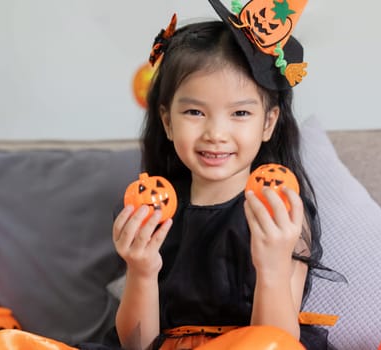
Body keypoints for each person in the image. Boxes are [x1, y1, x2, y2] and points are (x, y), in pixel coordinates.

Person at [112, 1, 341, 350]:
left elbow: (277, 342)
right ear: (167, 121)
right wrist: (141, 270)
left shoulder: (281, 213)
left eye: (240, 113)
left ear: (268, 122)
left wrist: (273, 268)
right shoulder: (154, 212)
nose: (215, 133)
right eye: (194, 111)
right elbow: (134, 345)